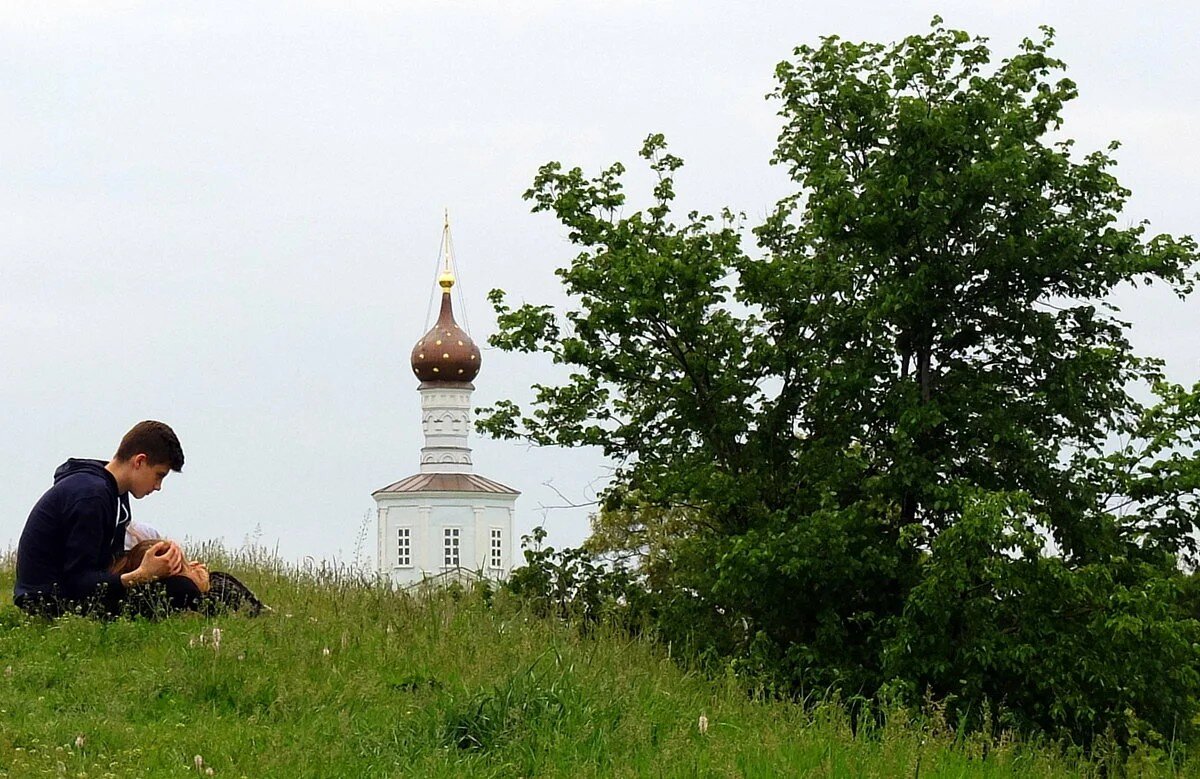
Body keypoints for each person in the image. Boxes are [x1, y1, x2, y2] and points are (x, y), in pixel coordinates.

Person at [13, 420, 201, 618]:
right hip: (51, 600)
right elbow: (77, 581)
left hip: (72, 592)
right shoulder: (92, 496)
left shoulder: (113, 492)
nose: (158, 486)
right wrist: (142, 575)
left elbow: (107, 565)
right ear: (139, 461)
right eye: (159, 475)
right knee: (181, 590)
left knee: (180, 585)